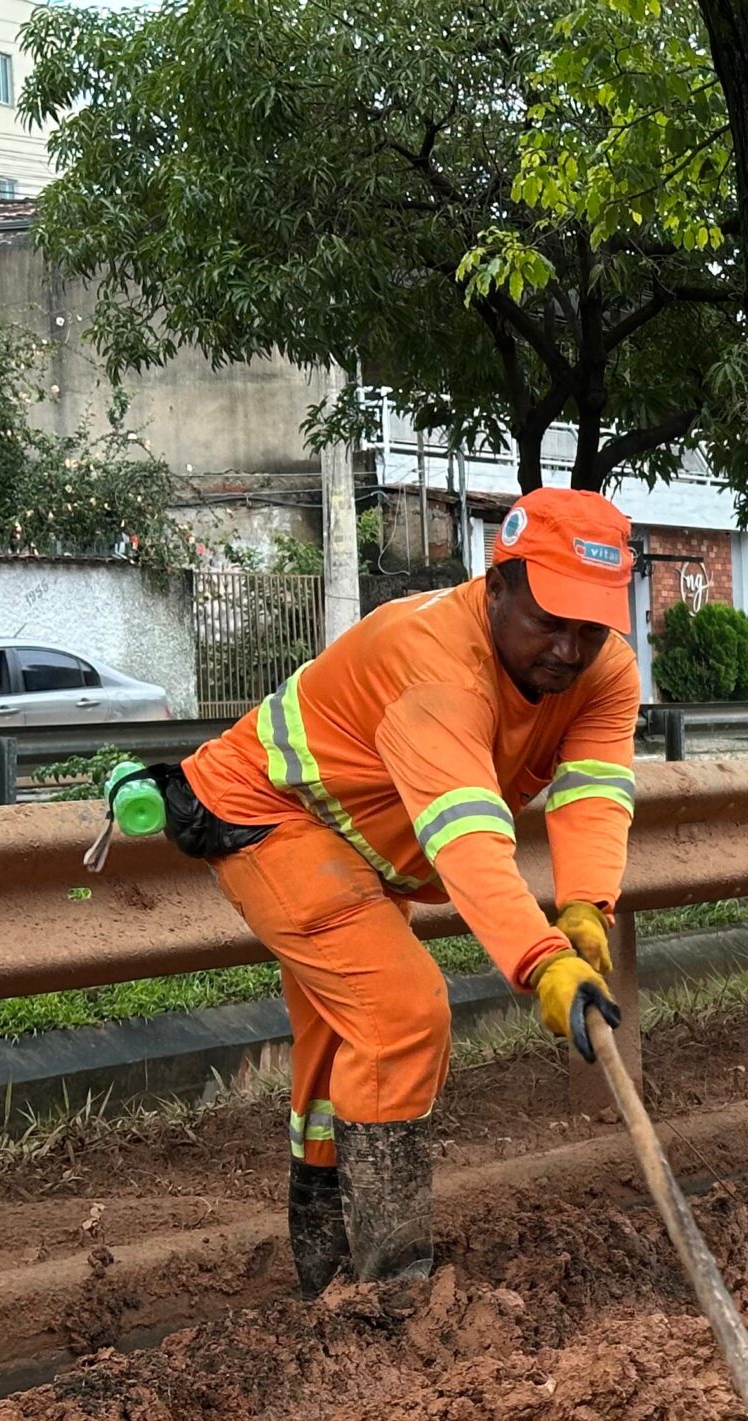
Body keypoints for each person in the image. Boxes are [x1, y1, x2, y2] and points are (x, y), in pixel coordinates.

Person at [174, 488, 639, 1293]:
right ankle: (392, 1286)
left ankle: (325, 1269)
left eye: (589, 629)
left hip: (365, 846)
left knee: (344, 1041)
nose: (568, 650)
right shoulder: (434, 664)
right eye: (548, 621)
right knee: (400, 1017)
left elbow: (593, 791)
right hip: (270, 812)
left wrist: (585, 909)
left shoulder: (604, 674)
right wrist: (540, 961)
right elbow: (465, 833)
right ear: (496, 587)